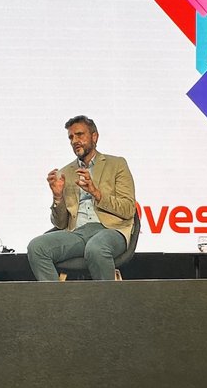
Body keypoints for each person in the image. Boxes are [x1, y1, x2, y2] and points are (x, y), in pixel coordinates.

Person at [27, 115, 136, 281]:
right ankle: (56, 297)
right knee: (37, 247)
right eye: (71, 137)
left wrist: (96, 193)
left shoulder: (117, 164)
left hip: (111, 230)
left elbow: (128, 209)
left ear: (94, 136)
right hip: (77, 233)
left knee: (96, 248)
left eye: (79, 135)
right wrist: (57, 198)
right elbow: (60, 224)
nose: (74, 141)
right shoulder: (65, 172)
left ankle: (107, 298)